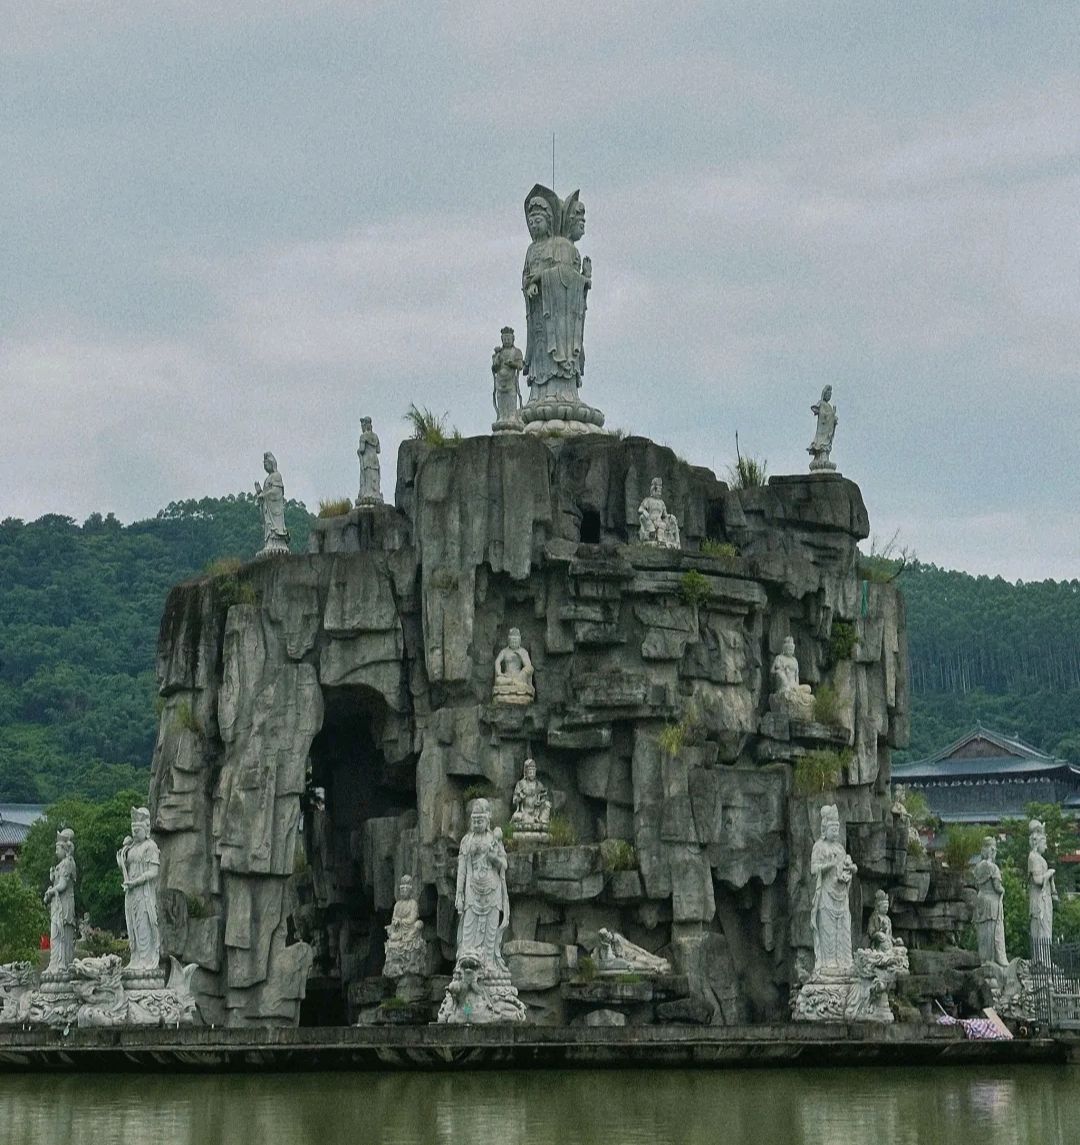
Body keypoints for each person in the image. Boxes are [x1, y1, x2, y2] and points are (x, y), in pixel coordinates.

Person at [454, 798, 510, 974]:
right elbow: (461, 869)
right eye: (475, 820)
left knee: (490, 928)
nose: (477, 823)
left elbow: (504, 864)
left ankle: (489, 963)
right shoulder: (466, 841)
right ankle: (466, 963)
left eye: (481, 820)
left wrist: (494, 858)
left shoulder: (494, 839)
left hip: (492, 888)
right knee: (469, 926)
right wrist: (459, 894)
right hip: (472, 888)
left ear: (488, 820)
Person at [810, 805, 857, 972]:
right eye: (833, 828)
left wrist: (851, 870)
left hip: (841, 893)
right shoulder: (819, 847)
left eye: (837, 828)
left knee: (844, 929)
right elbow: (813, 869)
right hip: (826, 895)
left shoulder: (840, 848)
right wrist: (829, 865)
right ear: (824, 828)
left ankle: (845, 962)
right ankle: (828, 964)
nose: (836, 832)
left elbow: (846, 866)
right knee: (828, 931)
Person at [117, 807, 161, 973]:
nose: (135, 833)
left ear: (146, 829)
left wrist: (136, 881)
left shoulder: (150, 846)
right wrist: (122, 856)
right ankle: (136, 958)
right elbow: (126, 868)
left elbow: (153, 872)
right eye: (133, 830)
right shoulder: (132, 848)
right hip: (131, 893)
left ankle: (146, 959)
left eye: (138, 830)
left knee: (144, 924)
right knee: (133, 925)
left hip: (144, 892)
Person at [44, 829, 77, 977]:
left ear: (65, 849)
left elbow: (63, 885)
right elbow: (57, 881)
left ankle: (62, 963)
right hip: (57, 904)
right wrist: (52, 876)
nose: (56, 851)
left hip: (64, 904)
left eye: (58, 848)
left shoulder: (67, 863)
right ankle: (54, 962)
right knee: (55, 934)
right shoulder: (60, 865)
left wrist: (50, 891)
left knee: (62, 934)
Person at [973, 837, 1008, 967]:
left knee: (982, 931)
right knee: (993, 930)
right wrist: (1003, 890)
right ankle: (992, 959)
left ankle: (984, 959)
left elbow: (977, 884)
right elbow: (997, 887)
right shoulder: (993, 868)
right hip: (992, 901)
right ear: (992, 850)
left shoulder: (978, 867)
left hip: (981, 898)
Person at [254, 451, 290, 554]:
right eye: (264, 464)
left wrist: (264, 495)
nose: (265, 465)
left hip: (275, 509)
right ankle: (270, 542)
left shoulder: (276, 476)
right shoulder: (267, 479)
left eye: (266, 463)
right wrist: (259, 492)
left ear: (272, 463)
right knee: (268, 526)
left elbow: (277, 492)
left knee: (274, 526)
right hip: (268, 509)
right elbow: (266, 494)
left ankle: (278, 542)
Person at [808, 385, 838, 470]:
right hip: (822, 429)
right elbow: (817, 411)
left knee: (827, 441)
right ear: (824, 394)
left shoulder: (828, 406)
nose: (829, 396)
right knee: (821, 442)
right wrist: (832, 414)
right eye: (828, 393)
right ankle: (819, 456)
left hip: (827, 429)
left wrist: (833, 418)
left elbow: (830, 418)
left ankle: (824, 456)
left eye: (830, 394)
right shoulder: (822, 403)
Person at [356, 417, 382, 504]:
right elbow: (378, 450)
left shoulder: (363, 436)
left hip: (367, 459)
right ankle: (376, 494)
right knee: (375, 478)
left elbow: (362, 449)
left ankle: (368, 495)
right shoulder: (376, 437)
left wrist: (358, 451)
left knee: (368, 479)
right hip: (375, 459)